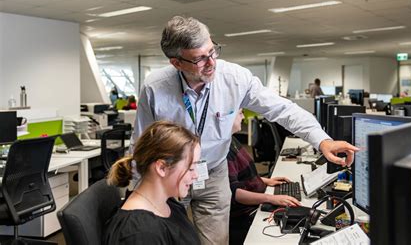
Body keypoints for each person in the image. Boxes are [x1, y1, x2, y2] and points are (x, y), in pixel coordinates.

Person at [133, 16, 358, 245]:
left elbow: (282, 109)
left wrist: (322, 140)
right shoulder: (155, 88)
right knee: (165, 237)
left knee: (217, 242)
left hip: (214, 172)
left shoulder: (234, 78)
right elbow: (140, 144)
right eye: (200, 59)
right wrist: (137, 196)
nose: (211, 63)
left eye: (213, 51)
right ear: (176, 63)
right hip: (171, 174)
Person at [104, 121, 201, 245]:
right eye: (191, 168)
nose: (196, 175)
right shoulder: (139, 233)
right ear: (162, 168)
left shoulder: (169, 204)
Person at [227, 110, 301, 245]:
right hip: (246, 215)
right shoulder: (224, 150)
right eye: (240, 113)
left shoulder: (232, 140)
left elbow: (243, 177)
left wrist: (267, 181)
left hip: (254, 203)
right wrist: (271, 198)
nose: (243, 117)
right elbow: (234, 193)